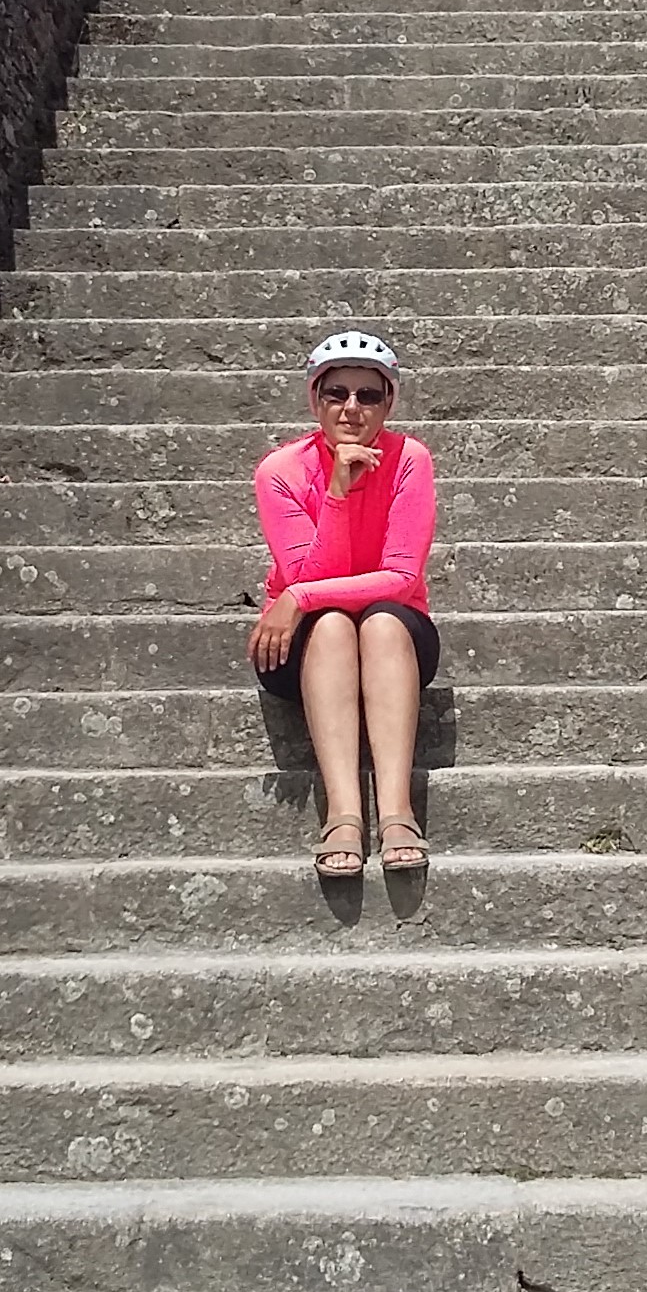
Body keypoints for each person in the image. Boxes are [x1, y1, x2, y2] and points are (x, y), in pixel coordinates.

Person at [249, 332, 439, 882]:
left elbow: (401, 578)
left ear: (389, 403)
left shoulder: (410, 460)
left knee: (378, 620)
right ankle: (344, 815)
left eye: (368, 396)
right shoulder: (280, 471)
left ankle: (399, 813)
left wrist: (298, 597)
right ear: (315, 400)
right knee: (332, 624)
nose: (351, 409)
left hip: (392, 634)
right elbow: (313, 573)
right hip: (302, 643)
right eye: (336, 393)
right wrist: (337, 491)